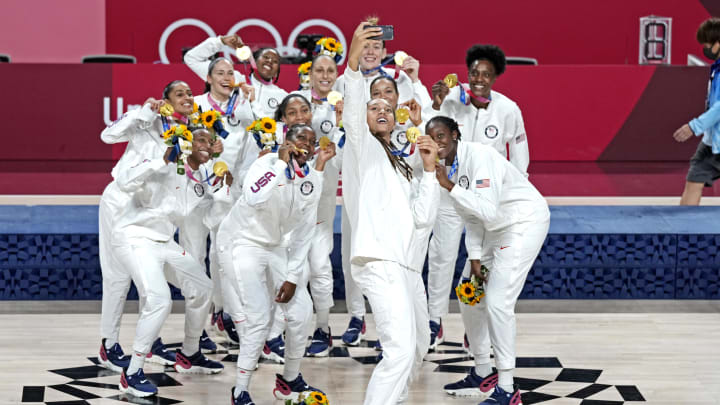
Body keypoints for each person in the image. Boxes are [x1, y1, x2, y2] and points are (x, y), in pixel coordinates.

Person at [341, 23, 440, 405]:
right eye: (374, 105)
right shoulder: (363, 150)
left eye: (388, 105)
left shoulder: (400, 164)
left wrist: (430, 171)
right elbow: (353, 101)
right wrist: (354, 54)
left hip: (406, 264)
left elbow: (424, 217)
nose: (381, 108)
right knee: (398, 350)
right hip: (379, 260)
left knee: (419, 343)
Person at [426, 116, 549, 404]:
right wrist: (476, 257)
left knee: (497, 302)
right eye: (432, 139)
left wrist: (450, 187)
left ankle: (507, 388)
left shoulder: (480, 156)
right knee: (469, 293)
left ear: (456, 134)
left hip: (522, 223)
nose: (438, 143)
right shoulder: (451, 168)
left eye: (442, 135)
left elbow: (489, 212)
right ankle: (483, 372)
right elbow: (473, 217)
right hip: (494, 229)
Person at [217, 124, 335, 405]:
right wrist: (280, 163)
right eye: (299, 138)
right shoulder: (266, 163)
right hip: (241, 242)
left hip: (275, 246)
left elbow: (305, 232)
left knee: (302, 311)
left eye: (311, 140)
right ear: (286, 141)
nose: (305, 144)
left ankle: (290, 378)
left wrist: (293, 277)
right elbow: (255, 197)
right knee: (258, 317)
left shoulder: (311, 180)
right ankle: (241, 390)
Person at [97, 81, 211, 371]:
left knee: (154, 278)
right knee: (118, 278)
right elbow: (107, 135)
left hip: (157, 212)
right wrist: (143, 113)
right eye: (179, 93)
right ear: (165, 101)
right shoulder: (146, 121)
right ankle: (109, 345)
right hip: (122, 201)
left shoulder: (190, 132)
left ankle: (150, 343)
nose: (187, 97)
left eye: (189, 93)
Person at [425, 44, 530, 350]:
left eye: (486, 74)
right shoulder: (453, 102)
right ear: (467, 73)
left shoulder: (508, 109)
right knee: (441, 256)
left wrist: (517, 188)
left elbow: (519, 152)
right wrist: (436, 101)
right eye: (474, 73)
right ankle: (435, 320)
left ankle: (475, 325)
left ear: (495, 76)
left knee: (481, 262)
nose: (479, 79)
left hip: (485, 198)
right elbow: (431, 129)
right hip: (449, 192)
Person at [114, 128, 229, 397]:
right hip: (135, 238)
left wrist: (223, 192)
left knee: (202, 287)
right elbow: (124, 181)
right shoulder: (161, 159)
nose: (206, 144)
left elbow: (209, 220)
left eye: (211, 142)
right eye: (200, 139)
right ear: (188, 143)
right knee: (160, 300)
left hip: (165, 242)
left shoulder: (202, 178)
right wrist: (161, 161)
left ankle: (189, 354)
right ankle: (131, 373)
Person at [293, 51, 346, 357]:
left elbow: (341, 155)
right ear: (310, 73)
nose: (325, 75)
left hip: (322, 200)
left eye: (330, 70)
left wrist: (339, 123)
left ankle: (323, 328)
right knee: (289, 268)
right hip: (291, 201)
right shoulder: (296, 101)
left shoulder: (341, 106)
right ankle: (282, 330)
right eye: (320, 70)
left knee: (319, 265)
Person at [673, 17, 720, 205]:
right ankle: (682, 232)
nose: (705, 47)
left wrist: (694, 126)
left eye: (708, 43)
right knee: (694, 181)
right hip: (711, 142)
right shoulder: (716, 69)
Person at [184, 34, 287, 119]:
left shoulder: (282, 96)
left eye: (275, 61)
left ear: (277, 72)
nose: (269, 61)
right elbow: (191, 58)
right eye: (265, 57)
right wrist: (221, 41)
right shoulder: (233, 78)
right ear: (254, 61)